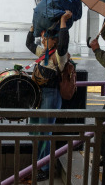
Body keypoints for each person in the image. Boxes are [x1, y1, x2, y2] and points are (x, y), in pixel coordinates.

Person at [26, 10, 72, 181]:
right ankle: (38, 164)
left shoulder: (60, 56)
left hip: (51, 96)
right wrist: (33, 28)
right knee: (35, 132)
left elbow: (64, 43)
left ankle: (44, 168)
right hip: (39, 96)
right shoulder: (43, 53)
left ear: (55, 40)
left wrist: (62, 22)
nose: (44, 40)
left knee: (45, 134)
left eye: (47, 38)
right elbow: (30, 44)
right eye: (43, 38)